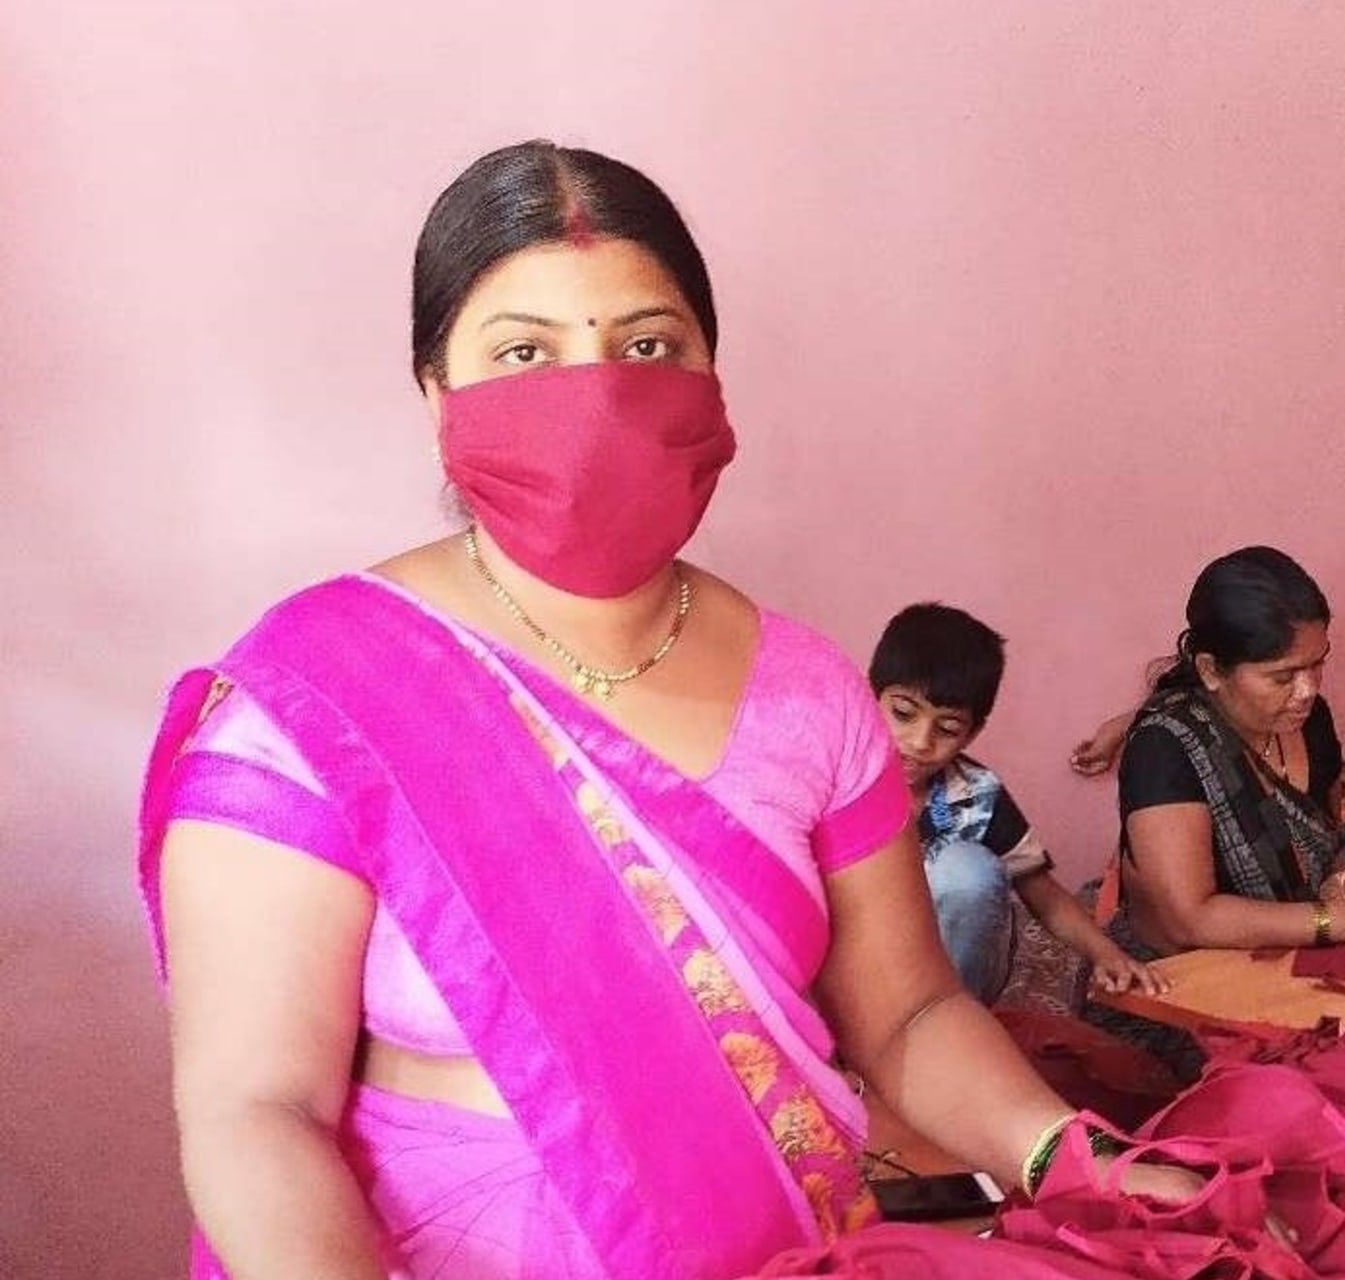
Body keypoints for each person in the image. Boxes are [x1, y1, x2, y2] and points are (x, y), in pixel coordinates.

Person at [136, 140, 1196, 1280]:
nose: (592, 394)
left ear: (709, 377)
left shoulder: (809, 689)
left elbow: (907, 1017)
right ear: (437, 390)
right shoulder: (320, 691)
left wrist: (1073, 1154)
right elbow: (258, 1112)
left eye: (646, 344)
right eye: (524, 352)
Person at [1078, 547, 1345, 1073]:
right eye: (1283, 676)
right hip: (1172, 994)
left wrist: (1344, 881)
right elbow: (1190, 919)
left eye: (1319, 664)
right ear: (1210, 670)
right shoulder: (1166, 745)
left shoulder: (1309, 722)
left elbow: (1325, 841)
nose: (1308, 690)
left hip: (1284, 976)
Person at [868, 603, 1166, 1005]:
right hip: (859, 966)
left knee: (966, 870)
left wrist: (1106, 954)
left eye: (948, 728)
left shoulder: (975, 795)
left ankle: (952, 1027)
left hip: (946, 978)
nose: (921, 742)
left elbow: (1044, 894)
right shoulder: (832, 775)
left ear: (972, 733)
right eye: (903, 714)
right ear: (869, 696)